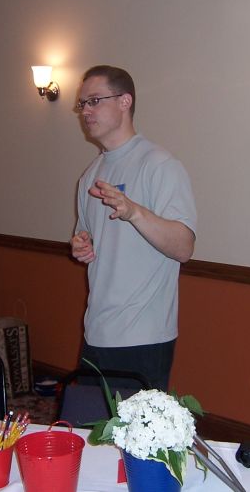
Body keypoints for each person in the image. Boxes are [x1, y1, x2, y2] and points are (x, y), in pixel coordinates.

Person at [70, 65, 197, 391]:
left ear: (124, 102)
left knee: (135, 427)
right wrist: (82, 244)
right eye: (82, 104)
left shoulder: (160, 165)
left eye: (94, 101)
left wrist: (134, 211)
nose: (85, 111)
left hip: (144, 336)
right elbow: (88, 236)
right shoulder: (90, 175)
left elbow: (184, 247)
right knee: (89, 423)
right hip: (96, 331)